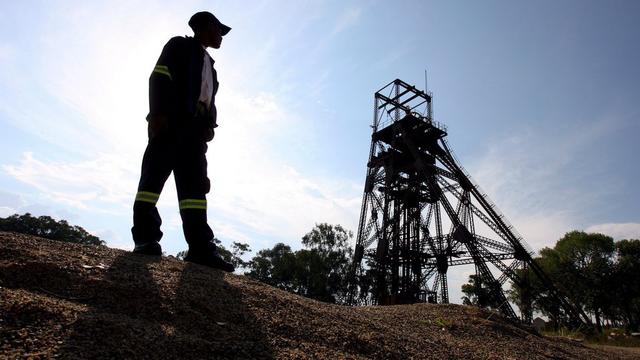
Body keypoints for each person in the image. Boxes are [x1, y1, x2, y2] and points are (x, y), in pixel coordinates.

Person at [131, 11, 234, 272]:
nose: (220, 36)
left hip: (195, 135)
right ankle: (145, 239)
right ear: (204, 27)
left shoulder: (210, 64)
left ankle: (200, 249)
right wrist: (157, 114)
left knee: (195, 193)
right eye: (217, 30)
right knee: (151, 182)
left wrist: (210, 126)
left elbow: (207, 99)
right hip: (171, 125)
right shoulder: (179, 46)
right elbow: (159, 76)